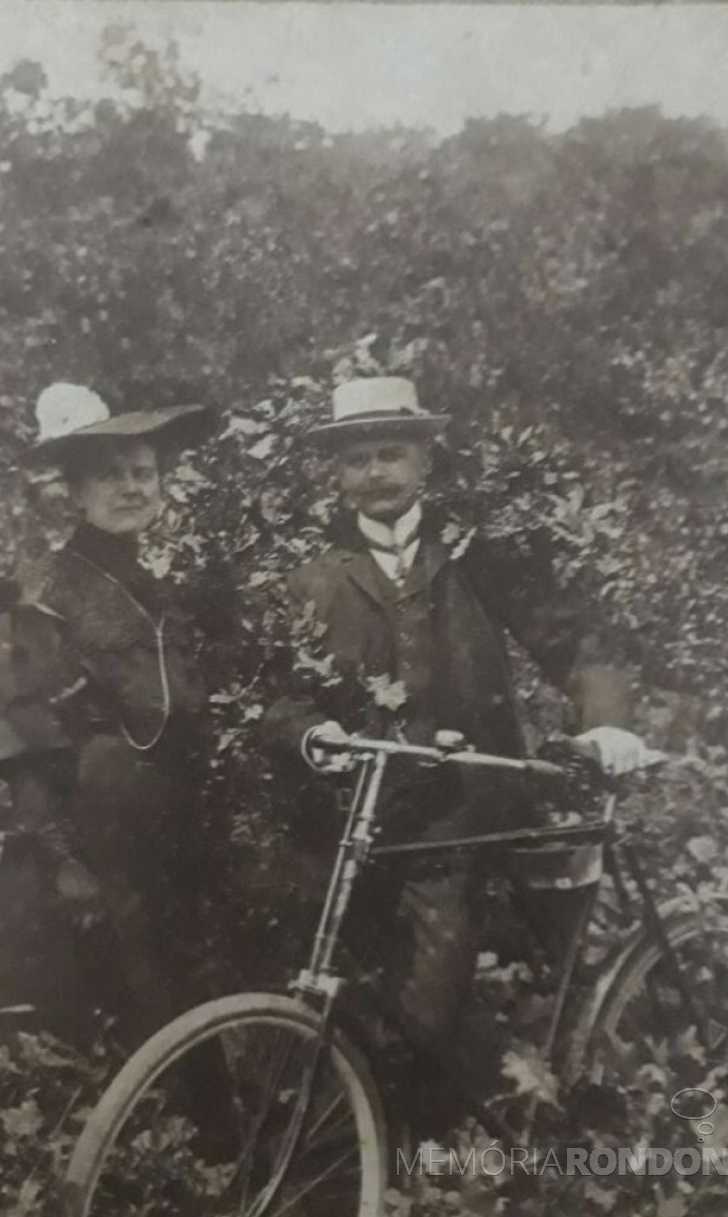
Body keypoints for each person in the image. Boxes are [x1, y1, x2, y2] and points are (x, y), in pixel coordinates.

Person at [263, 376, 660, 1088]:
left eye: (392, 453)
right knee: (318, 982)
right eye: (357, 459)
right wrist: (310, 731)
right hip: (356, 815)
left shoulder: (480, 552)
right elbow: (277, 692)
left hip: (466, 813)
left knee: (425, 1012)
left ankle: (420, 1149)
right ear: (337, 473)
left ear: (425, 460)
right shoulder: (311, 575)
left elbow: (576, 643)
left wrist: (605, 725)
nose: (376, 472)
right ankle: (343, 1132)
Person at [0, 383, 228, 1050]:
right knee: (94, 1027)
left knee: (174, 1017)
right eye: (111, 476)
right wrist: (63, 864)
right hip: (84, 849)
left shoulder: (159, 587)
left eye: (145, 473)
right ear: (74, 492)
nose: (133, 488)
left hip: (157, 840)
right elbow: (18, 740)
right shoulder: (43, 593)